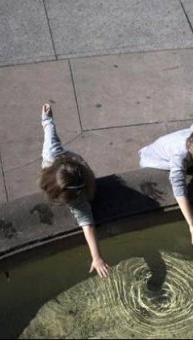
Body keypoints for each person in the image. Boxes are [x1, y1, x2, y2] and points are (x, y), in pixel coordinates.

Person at [38, 103, 110, 278]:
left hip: (81, 171)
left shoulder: (79, 194)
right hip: (70, 169)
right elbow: (50, 134)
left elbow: (87, 223)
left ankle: (88, 188)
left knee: (89, 198)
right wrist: (47, 119)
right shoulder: (51, 154)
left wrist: (97, 257)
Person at [139, 122, 193, 245]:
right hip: (151, 161)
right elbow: (179, 190)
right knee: (177, 176)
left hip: (161, 147)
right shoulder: (179, 157)